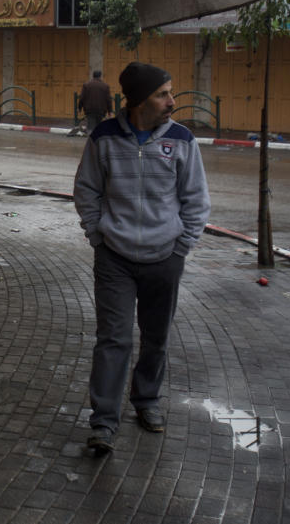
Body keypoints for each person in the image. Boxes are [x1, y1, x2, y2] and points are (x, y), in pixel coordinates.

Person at [72, 61, 210, 455]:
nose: (171, 101)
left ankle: (146, 402)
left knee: (155, 338)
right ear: (138, 102)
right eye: (162, 94)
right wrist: (97, 234)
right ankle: (103, 423)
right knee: (113, 340)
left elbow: (196, 200)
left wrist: (180, 248)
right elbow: (86, 189)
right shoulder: (104, 137)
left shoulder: (182, 141)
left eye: (170, 92)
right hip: (114, 258)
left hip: (164, 258)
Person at [73, 70, 112, 135]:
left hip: (89, 109)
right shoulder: (105, 86)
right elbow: (108, 99)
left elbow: (82, 97)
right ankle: (97, 140)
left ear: (93, 76)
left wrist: (79, 108)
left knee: (91, 126)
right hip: (101, 110)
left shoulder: (86, 85)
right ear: (100, 76)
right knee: (98, 126)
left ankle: (91, 140)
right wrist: (110, 111)